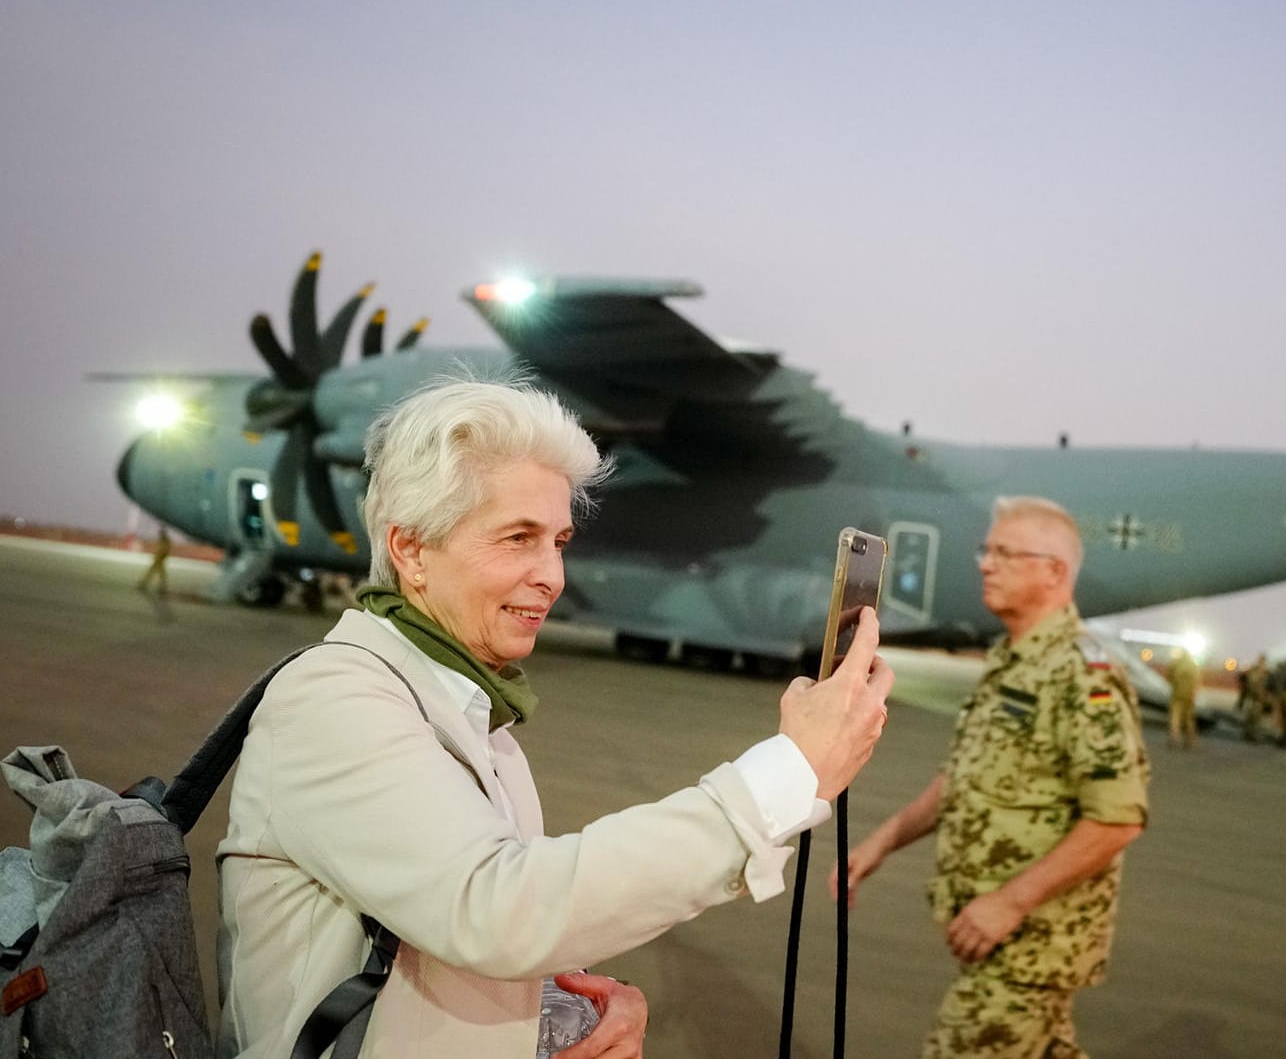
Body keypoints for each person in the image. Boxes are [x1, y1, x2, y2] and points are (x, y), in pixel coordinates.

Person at [216, 378, 893, 1058]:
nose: (553, 575)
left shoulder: (469, 708)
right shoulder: (337, 699)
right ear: (412, 550)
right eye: (518, 538)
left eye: (559, 541)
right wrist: (781, 778)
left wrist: (574, 1003)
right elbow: (494, 911)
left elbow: (447, 938)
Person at [837, 496, 1150, 1058]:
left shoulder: (1082, 674)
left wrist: (1010, 902)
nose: (985, 563)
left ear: (1054, 572)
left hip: (1030, 946)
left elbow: (1117, 818)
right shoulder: (1013, 659)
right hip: (1009, 945)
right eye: (987, 550)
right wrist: (879, 845)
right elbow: (964, 777)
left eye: (1006, 553)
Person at [1165, 646, 1200, 750]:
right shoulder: (1193, 665)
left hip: (1177, 694)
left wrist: (1174, 685)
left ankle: (1174, 738)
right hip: (1189, 695)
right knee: (1189, 718)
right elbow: (1197, 681)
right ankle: (1189, 740)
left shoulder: (1176, 664)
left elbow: (1169, 676)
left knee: (1175, 717)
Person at [1237, 653, 1272, 743]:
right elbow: (1251, 683)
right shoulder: (1254, 671)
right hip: (1253, 697)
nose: (1263, 663)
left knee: (1256, 718)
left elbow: (1267, 685)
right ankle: (1249, 734)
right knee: (1251, 716)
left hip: (1259, 699)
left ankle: (1252, 734)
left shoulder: (1265, 672)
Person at [135, 525, 171, 595]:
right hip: (158, 559)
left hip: (160, 559)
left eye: (161, 533)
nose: (160, 534)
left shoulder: (165, 541)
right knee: (159, 574)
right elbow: (161, 549)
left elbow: (165, 550)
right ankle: (161, 587)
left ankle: (145, 584)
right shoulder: (163, 540)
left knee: (155, 573)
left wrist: (162, 556)